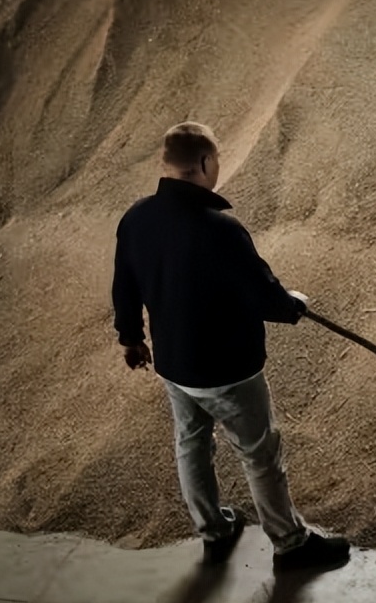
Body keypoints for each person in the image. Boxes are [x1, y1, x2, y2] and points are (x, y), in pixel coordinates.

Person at [111, 121, 349, 572]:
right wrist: (292, 305)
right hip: (228, 370)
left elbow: (124, 283)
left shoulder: (137, 218)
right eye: (216, 160)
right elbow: (261, 294)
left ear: (167, 165)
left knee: (191, 443)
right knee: (259, 453)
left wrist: (131, 337)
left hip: (174, 364)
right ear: (204, 163)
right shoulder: (220, 230)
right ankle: (290, 544)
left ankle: (213, 530)